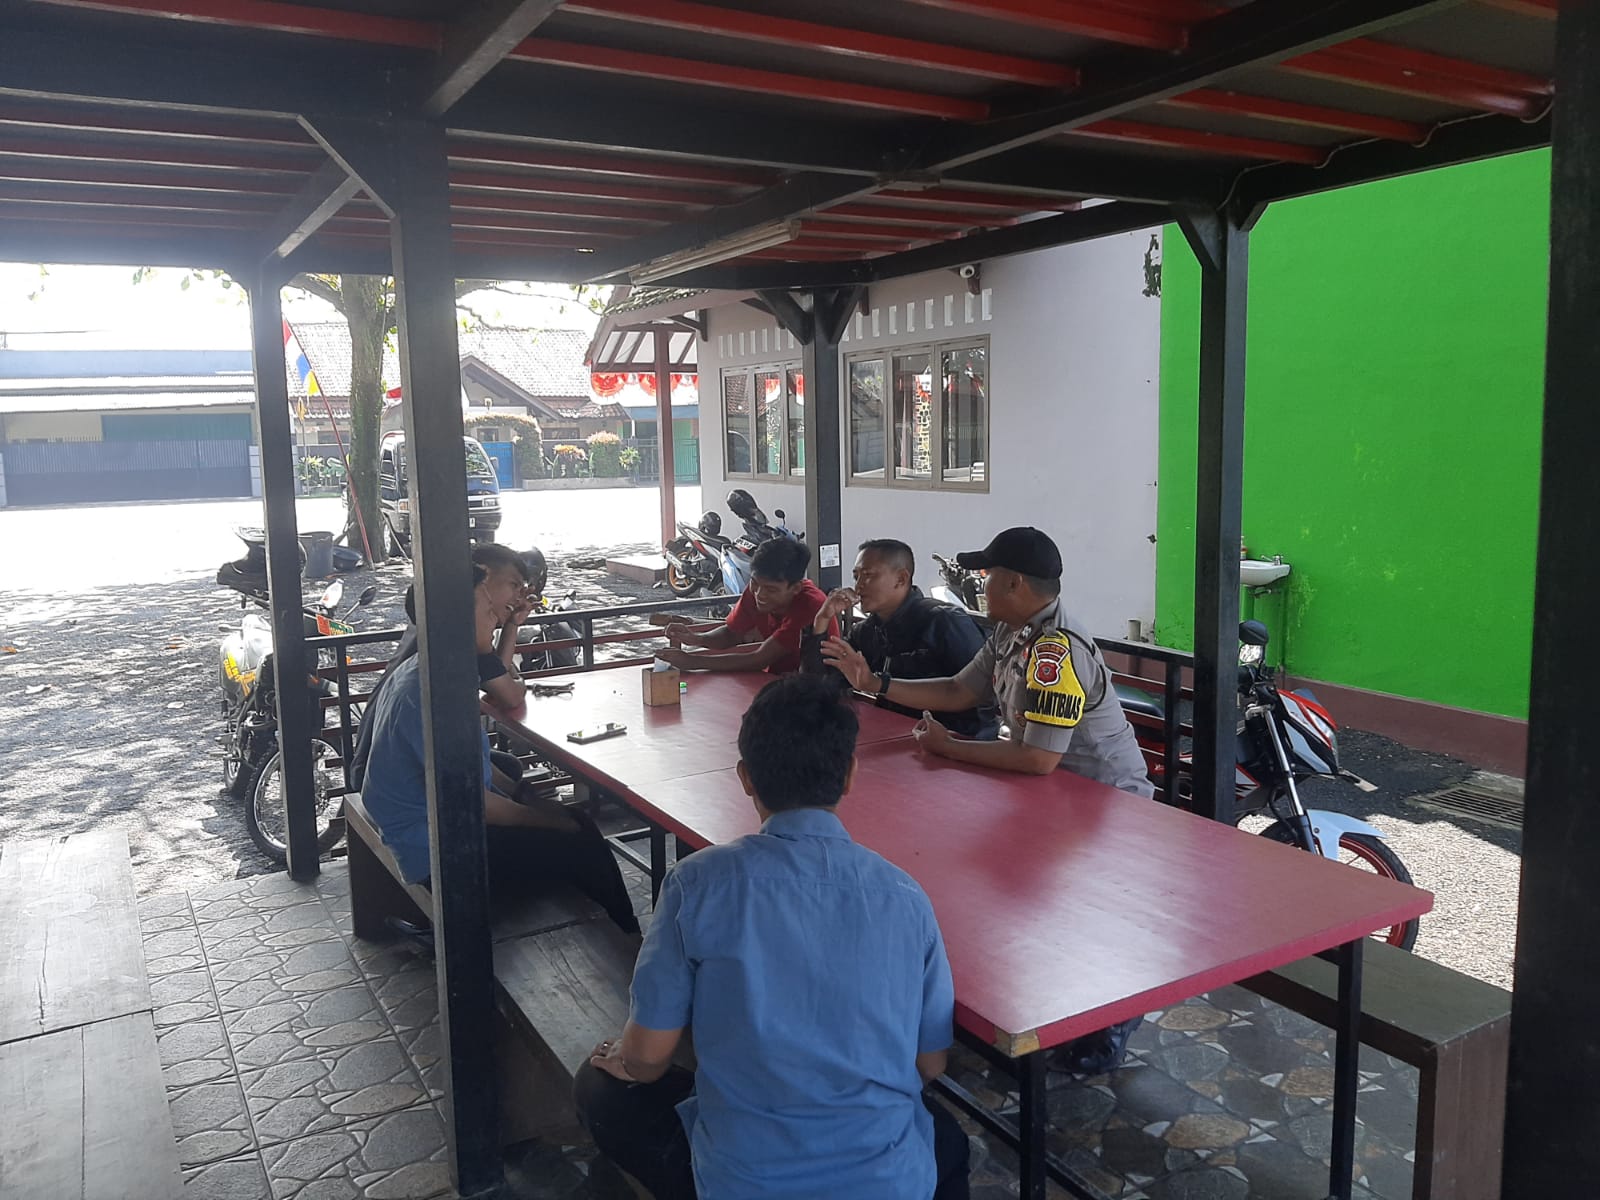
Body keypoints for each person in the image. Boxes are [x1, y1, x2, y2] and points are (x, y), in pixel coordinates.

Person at [573, 674, 969, 1200]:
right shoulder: (905, 897)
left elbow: (647, 1059)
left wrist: (622, 1059)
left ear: (745, 778)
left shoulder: (697, 884)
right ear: (850, 775)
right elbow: (930, 1063)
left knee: (598, 1088)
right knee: (946, 1139)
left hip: (743, 1181)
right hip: (886, 1180)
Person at [359, 563, 639, 934]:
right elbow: (474, 803)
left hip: (412, 819)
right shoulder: (439, 692)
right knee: (580, 833)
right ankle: (627, 939)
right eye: (489, 611)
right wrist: (552, 819)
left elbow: (475, 763)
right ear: (453, 620)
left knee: (537, 799)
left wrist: (521, 795)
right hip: (433, 849)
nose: (496, 619)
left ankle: (614, 928)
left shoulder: (430, 664)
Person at [824, 526, 1153, 797]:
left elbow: (1037, 757)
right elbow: (958, 690)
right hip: (1057, 789)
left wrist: (948, 746)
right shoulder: (1010, 630)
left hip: (1108, 797)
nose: (981, 584)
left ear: (1013, 583)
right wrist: (874, 682)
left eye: (987, 575)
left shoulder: (1055, 650)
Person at [348, 543, 532, 793]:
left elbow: (497, 673)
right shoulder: (461, 632)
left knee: (507, 769)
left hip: (375, 760)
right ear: (483, 574)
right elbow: (509, 694)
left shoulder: (440, 613)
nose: (519, 597)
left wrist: (511, 624)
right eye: (514, 585)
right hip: (386, 776)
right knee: (510, 781)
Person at [800, 538, 997, 739]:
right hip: (891, 736)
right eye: (856, 576)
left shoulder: (944, 621)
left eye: (868, 575)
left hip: (954, 740)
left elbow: (981, 698)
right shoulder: (866, 632)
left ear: (901, 579)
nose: (858, 586)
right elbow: (818, 685)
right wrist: (822, 619)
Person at [657, 538, 836, 674]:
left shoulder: (811, 607)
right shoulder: (756, 590)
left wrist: (693, 661)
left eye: (771, 589)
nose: (760, 594)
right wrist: (697, 638)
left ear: (795, 588)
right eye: (755, 583)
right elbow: (732, 632)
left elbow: (759, 659)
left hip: (815, 691)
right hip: (775, 680)